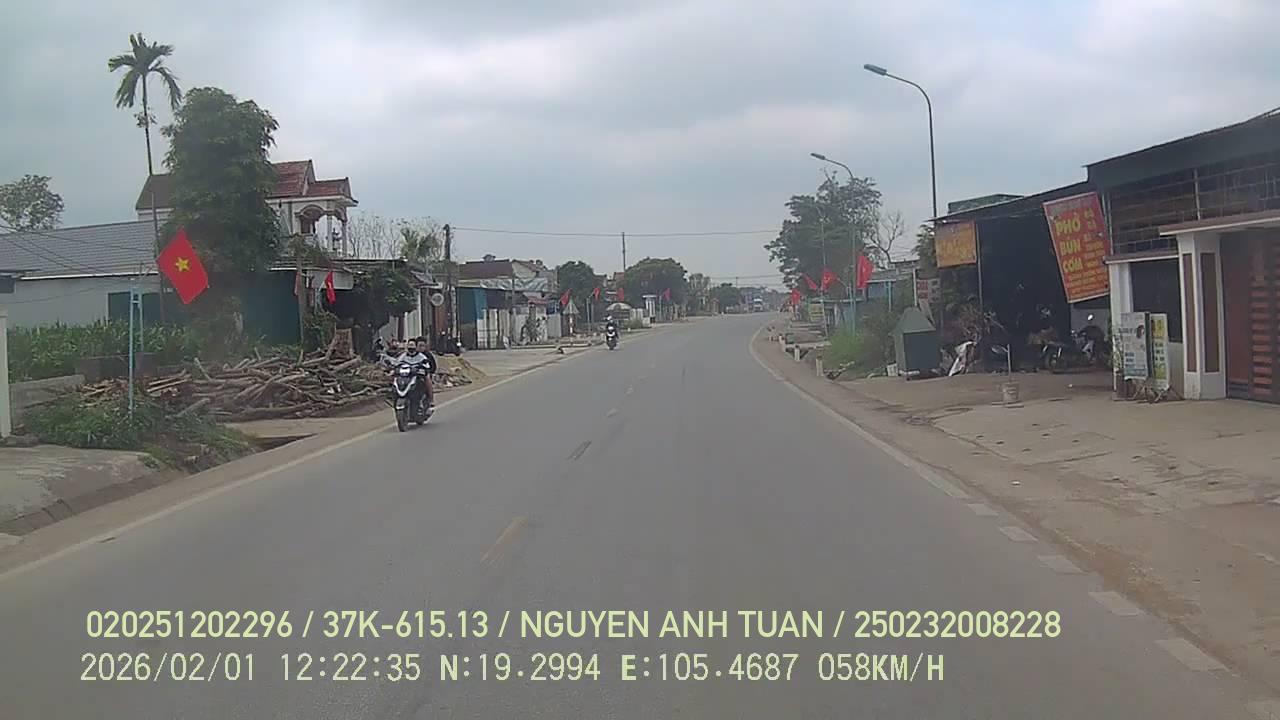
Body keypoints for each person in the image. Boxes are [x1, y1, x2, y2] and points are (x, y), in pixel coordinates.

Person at [396, 337, 437, 411]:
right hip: (409, 373)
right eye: (420, 346)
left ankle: (430, 400)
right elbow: (397, 362)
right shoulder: (404, 355)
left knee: (427, 379)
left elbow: (431, 366)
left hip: (421, 374)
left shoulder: (425, 356)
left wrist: (426, 370)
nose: (421, 348)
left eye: (423, 346)